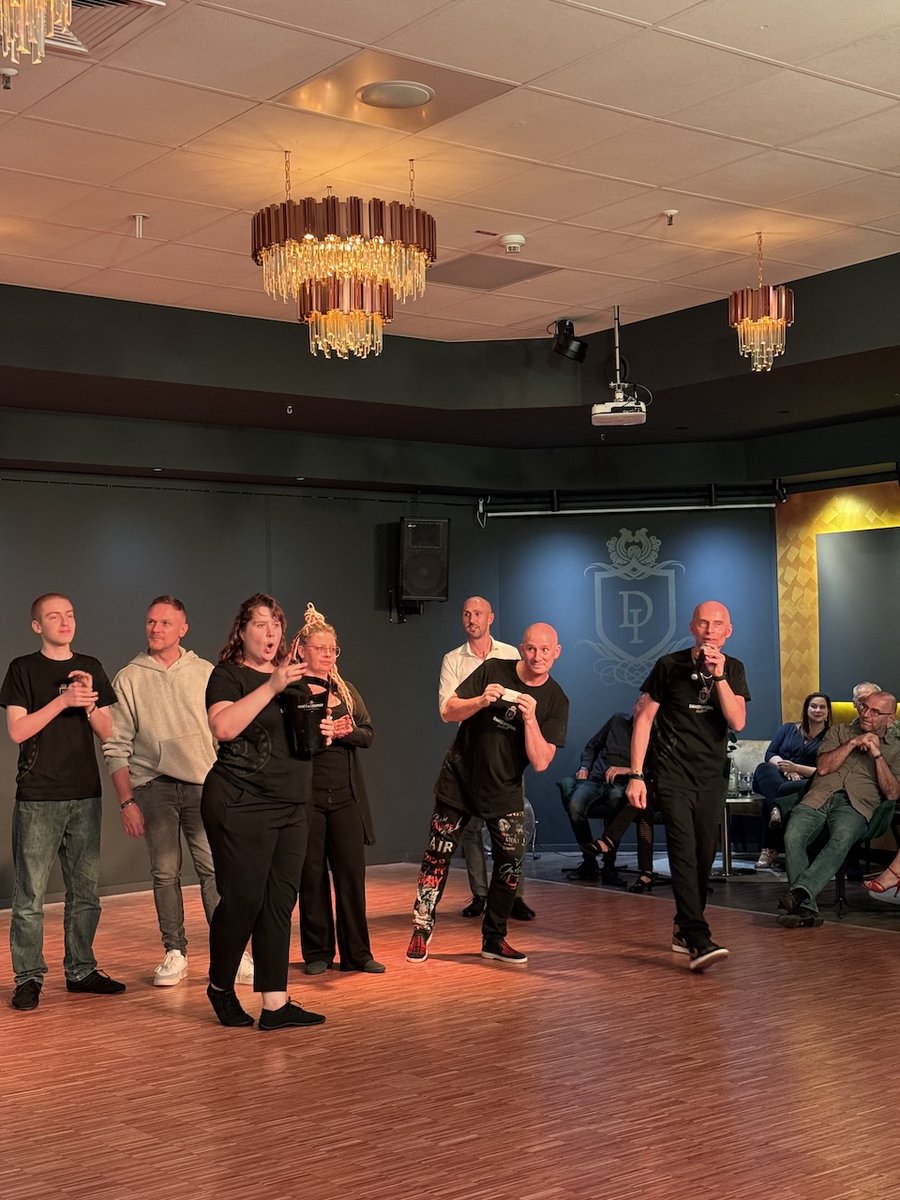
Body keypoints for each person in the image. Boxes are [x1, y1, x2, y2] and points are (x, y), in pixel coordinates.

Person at [102, 595, 252, 987]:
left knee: (215, 870)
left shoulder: (205, 672)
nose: (156, 629)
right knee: (165, 872)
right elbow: (115, 746)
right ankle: (175, 952)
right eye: (151, 622)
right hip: (153, 787)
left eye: (165, 623)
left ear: (183, 629)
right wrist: (126, 801)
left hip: (206, 785)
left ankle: (232, 953)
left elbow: (225, 734)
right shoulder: (129, 677)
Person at [407, 622, 568, 966]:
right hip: (460, 779)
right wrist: (480, 701)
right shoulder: (494, 669)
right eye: (530, 648)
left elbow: (541, 761)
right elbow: (449, 711)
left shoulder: (556, 699)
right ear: (521, 649)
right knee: (437, 854)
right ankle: (421, 927)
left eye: (544, 650)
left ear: (557, 653)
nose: (537, 656)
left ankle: (494, 939)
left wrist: (530, 720)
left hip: (505, 789)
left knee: (510, 864)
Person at [201, 593, 326, 1031]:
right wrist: (271, 685)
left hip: (291, 804)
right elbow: (223, 726)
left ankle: (275, 1003)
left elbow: (298, 740)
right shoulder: (227, 675)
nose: (270, 633)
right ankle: (220, 986)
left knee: (279, 903)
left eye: (275, 624)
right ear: (242, 631)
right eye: (260, 624)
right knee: (244, 901)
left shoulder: (292, 677)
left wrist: (324, 731)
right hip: (239, 801)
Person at [1, 593, 125, 1011]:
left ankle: (81, 970)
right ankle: (28, 978)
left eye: (69, 614)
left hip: (85, 794)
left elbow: (109, 731)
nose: (65, 621)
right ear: (37, 626)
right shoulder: (22, 668)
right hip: (38, 796)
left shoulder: (90, 666)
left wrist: (88, 704)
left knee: (86, 893)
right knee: (30, 895)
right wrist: (62, 700)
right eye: (54, 616)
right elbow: (17, 731)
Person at [627, 600, 750, 972]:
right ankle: (698, 936)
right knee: (682, 850)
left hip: (711, 776)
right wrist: (636, 774)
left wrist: (720, 676)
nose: (710, 630)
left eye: (718, 624)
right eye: (703, 623)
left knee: (703, 856)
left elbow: (737, 721)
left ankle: (683, 928)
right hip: (672, 773)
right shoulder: (669, 665)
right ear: (692, 627)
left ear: (729, 631)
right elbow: (644, 720)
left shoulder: (734, 668)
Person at [290, 603, 384, 975]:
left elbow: (368, 734)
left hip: (345, 797)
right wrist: (317, 731)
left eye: (333, 649)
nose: (328, 655)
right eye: (321, 648)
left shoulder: (346, 690)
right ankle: (318, 953)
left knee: (351, 877)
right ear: (302, 651)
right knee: (311, 876)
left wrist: (347, 731)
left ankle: (357, 954)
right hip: (308, 799)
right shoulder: (291, 691)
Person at [438, 596, 536, 920]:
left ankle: (514, 895)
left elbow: (526, 697)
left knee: (514, 826)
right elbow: (447, 709)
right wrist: (479, 701)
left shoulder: (510, 655)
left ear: (490, 618)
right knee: (470, 829)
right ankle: (479, 893)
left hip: (507, 752)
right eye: (466, 614)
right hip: (471, 752)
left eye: (478, 613)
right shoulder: (453, 659)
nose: (472, 619)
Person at [778, 690, 900, 927]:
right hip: (818, 797)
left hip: (856, 805)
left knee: (842, 837)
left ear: (890, 719)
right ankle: (805, 905)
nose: (866, 714)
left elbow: (893, 793)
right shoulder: (839, 731)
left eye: (876, 712)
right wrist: (853, 742)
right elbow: (823, 768)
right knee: (793, 836)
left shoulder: (896, 747)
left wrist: (877, 755)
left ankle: (801, 894)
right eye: (865, 707)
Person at [563, 704, 657, 891]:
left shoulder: (654, 733)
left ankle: (609, 865)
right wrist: (584, 767)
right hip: (596, 780)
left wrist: (628, 770)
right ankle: (589, 861)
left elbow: (655, 770)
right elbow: (592, 746)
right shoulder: (617, 720)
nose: (639, 708)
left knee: (616, 802)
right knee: (574, 806)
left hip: (622, 784)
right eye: (638, 704)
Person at [752, 693, 831, 869]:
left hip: (808, 780)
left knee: (778, 795)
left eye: (822, 707)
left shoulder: (831, 736)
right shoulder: (788, 729)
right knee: (764, 769)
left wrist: (797, 768)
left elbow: (826, 771)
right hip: (779, 775)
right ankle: (776, 809)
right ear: (806, 709)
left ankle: (769, 847)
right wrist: (786, 769)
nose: (817, 710)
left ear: (827, 712)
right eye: (813, 706)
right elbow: (770, 754)